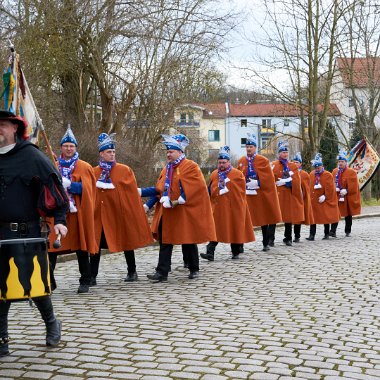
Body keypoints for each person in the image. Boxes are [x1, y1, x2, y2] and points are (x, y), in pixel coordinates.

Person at [0, 110, 68, 356]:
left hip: (26, 233)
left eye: (3, 125)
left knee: (34, 285)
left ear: (15, 128)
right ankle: (2, 340)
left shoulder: (31, 155)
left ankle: (52, 323)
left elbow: (55, 188)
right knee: (0, 290)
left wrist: (60, 220)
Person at [142, 134, 216, 282]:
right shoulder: (166, 169)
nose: (168, 154)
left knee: (188, 240)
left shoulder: (190, 166)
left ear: (180, 152)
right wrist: (147, 203)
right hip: (167, 213)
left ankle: (194, 268)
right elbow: (159, 189)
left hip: (183, 212)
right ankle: (162, 272)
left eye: (171, 151)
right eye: (167, 152)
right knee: (165, 241)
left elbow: (197, 187)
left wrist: (177, 200)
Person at [90, 133, 153, 284]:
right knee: (95, 245)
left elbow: (130, 193)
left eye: (113, 152)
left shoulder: (125, 170)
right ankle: (92, 276)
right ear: (101, 154)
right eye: (108, 152)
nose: (111, 154)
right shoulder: (93, 172)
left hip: (119, 214)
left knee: (126, 242)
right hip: (100, 215)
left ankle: (132, 271)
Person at [48, 126, 98, 294]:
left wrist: (71, 185)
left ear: (75, 148)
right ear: (61, 148)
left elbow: (89, 190)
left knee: (81, 247)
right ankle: (49, 282)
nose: (69, 149)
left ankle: (85, 280)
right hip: (58, 213)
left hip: (77, 213)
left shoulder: (84, 167)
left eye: (71, 146)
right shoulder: (53, 165)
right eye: (66, 146)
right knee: (51, 248)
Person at [200, 146, 255, 261]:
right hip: (218, 207)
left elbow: (240, 190)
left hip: (233, 207)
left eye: (224, 162)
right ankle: (210, 253)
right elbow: (210, 188)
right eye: (219, 163)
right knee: (216, 229)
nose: (221, 165)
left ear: (229, 162)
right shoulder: (215, 174)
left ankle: (235, 252)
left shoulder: (237, 174)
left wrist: (228, 185)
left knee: (233, 228)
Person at [236, 133, 282, 252]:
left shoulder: (263, 160)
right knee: (244, 219)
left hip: (259, 194)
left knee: (263, 219)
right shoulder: (241, 160)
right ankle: (239, 245)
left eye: (251, 146)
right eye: (247, 147)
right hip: (246, 194)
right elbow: (237, 176)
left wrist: (258, 183)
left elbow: (269, 178)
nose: (249, 149)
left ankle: (265, 243)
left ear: (255, 147)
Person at [270, 141, 304, 246]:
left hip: (288, 195)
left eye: (286, 152)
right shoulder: (273, 165)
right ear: (279, 153)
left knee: (288, 218)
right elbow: (268, 179)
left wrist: (287, 181)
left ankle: (288, 237)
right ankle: (270, 238)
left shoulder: (292, 166)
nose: (285, 154)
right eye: (283, 152)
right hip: (277, 195)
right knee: (273, 217)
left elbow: (297, 181)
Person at [306, 153, 340, 240]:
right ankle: (311, 235)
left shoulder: (327, 175)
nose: (317, 169)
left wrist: (325, 196)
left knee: (326, 217)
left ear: (322, 166)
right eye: (316, 168)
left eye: (318, 167)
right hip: (314, 200)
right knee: (313, 218)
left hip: (323, 199)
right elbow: (310, 186)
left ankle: (326, 234)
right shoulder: (312, 174)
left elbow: (331, 188)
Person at [330, 149, 361, 237]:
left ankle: (347, 231)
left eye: (342, 161)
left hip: (347, 197)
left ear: (346, 162)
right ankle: (332, 231)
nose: (340, 163)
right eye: (339, 161)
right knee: (335, 213)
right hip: (337, 196)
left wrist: (347, 190)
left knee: (348, 214)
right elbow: (332, 182)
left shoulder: (351, 172)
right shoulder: (335, 171)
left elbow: (354, 186)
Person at [291, 152, 314, 242]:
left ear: (300, 164)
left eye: (297, 162)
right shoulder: (289, 172)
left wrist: (303, 194)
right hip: (291, 198)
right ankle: (287, 236)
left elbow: (307, 187)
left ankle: (297, 236)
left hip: (300, 198)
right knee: (290, 218)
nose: (295, 164)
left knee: (298, 218)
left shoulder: (304, 174)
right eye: (294, 162)